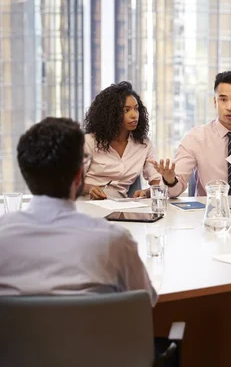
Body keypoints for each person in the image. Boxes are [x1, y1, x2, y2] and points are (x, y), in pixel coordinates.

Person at [0, 117, 156, 303]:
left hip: (18, 333)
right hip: (96, 332)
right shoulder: (114, 240)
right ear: (79, 175)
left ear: (26, 174)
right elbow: (146, 300)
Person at [82, 81, 162, 199]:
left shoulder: (144, 144)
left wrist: (147, 192)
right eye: (126, 110)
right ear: (111, 114)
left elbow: (157, 180)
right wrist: (90, 188)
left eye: (136, 109)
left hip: (120, 208)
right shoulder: (88, 142)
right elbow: (70, 183)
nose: (134, 115)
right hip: (87, 203)